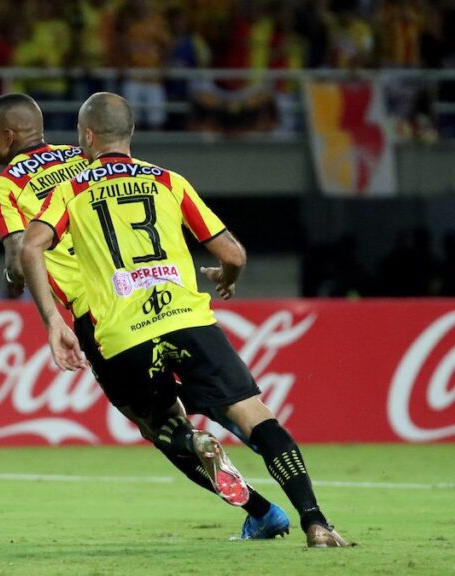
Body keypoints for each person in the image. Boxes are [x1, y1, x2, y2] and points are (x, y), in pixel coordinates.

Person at [21, 92, 352, 548]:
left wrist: (51, 322)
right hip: (188, 318)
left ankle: (203, 454)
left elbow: (30, 247)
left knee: (163, 427)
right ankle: (316, 523)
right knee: (256, 417)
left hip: (121, 334)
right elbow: (233, 253)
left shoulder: (70, 189)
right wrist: (226, 277)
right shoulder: (168, 181)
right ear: (131, 134)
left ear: (87, 136)